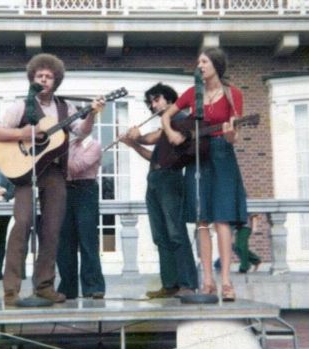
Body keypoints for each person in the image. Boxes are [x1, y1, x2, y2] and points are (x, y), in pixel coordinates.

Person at [0, 53, 105, 306]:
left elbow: (81, 131)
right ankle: (11, 290)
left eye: (48, 76)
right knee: (22, 225)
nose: (43, 79)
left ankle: (44, 286)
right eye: (39, 75)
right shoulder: (22, 106)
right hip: (25, 172)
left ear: (56, 80)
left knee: (53, 230)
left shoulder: (65, 108)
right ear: (32, 78)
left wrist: (93, 114)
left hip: (53, 171)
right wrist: (24, 132)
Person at [162, 48, 247, 301]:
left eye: (204, 61)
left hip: (222, 155)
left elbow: (234, 135)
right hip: (198, 155)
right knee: (201, 219)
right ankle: (207, 281)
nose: (199, 65)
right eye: (198, 61)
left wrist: (231, 134)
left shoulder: (233, 94)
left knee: (222, 219)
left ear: (216, 65)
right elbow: (166, 116)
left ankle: (226, 282)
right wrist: (172, 133)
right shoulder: (192, 94)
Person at [119, 83, 198, 298]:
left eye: (157, 100)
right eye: (151, 102)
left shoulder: (179, 120)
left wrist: (137, 137)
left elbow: (151, 139)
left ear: (170, 100)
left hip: (170, 179)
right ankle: (170, 284)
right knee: (160, 235)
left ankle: (188, 284)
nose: (153, 105)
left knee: (175, 232)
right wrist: (133, 142)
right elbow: (150, 152)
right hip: (154, 178)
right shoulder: (166, 125)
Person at [56, 136, 105, 299]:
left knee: (87, 238)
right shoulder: (66, 144)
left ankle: (93, 286)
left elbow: (76, 167)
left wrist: (57, 153)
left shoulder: (94, 145)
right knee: (65, 240)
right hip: (65, 189)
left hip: (86, 189)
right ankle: (67, 288)